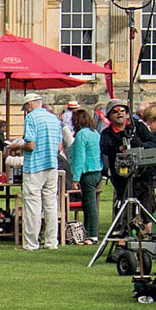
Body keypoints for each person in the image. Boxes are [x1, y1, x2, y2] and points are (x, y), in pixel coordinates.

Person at [18, 94, 63, 249]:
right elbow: (59, 147)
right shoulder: (54, 118)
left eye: (24, 107)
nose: (25, 110)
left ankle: (31, 243)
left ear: (29, 104)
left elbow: (30, 145)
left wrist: (15, 147)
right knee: (51, 204)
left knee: (32, 205)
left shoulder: (31, 118)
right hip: (52, 164)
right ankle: (51, 242)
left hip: (35, 166)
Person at [68, 103, 104, 240]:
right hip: (97, 171)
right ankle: (88, 231)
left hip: (87, 172)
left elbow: (79, 157)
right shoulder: (95, 133)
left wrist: (75, 178)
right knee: (90, 203)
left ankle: (93, 234)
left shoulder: (81, 134)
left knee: (89, 204)